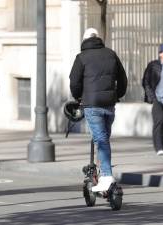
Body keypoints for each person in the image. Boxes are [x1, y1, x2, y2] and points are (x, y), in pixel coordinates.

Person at [69, 28, 127, 192]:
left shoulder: (81, 58)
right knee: (104, 140)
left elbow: (74, 82)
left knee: (101, 141)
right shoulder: (111, 54)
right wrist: (117, 95)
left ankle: (106, 175)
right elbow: (122, 78)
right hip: (109, 105)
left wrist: (78, 97)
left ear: (84, 40)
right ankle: (103, 175)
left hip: (92, 105)